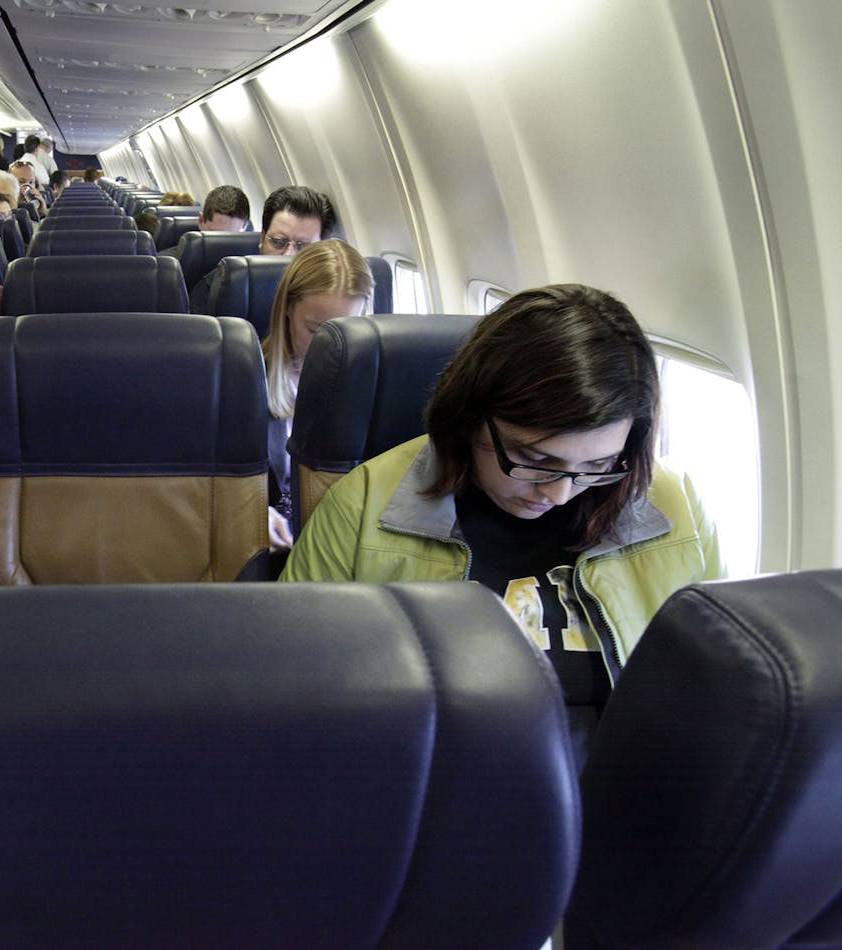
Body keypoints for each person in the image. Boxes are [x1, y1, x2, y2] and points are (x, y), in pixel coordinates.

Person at [281, 283, 725, 760]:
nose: (558, 492)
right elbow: (291, 690)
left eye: (596, 467)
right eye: (534, 458)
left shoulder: (676, 509)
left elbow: (717, 688)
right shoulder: (365, 506)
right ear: (470, 416)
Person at [260, 241, 374, 554]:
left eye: (345, 331)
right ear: (287, 309)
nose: (330, 347)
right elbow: (224, 490)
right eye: (315, 329)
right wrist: (252, 516)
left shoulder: (375, 388)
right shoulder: (244, 379)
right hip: (277, 548)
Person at [190, 185, 335, 312]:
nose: (288, 256)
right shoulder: (220, 286)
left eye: (303, 246)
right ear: (262, 238)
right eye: (278, 241)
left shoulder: (330, 300)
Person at [161, 184, 251, 260]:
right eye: (215, 236)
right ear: (201, 221)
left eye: (233, 238)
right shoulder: (168, 266)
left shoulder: (251, 269)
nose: (223, 245)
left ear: (245, 228)